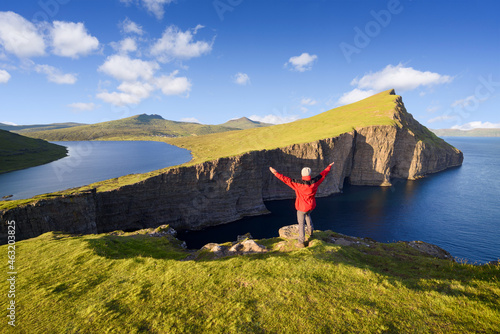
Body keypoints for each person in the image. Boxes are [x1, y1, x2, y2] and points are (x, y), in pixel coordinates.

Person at [269, 162, 334, 248]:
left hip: (301, 207)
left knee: (301, 224)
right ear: (310, 174)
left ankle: (301, 242)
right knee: (308, 215)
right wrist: (329, 167)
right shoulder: (315, 182)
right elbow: (323, 175)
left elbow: (285, 179)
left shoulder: (298, 184)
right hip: (311, 206)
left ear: (302, 174)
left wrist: (275, 173)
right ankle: (311, 233)